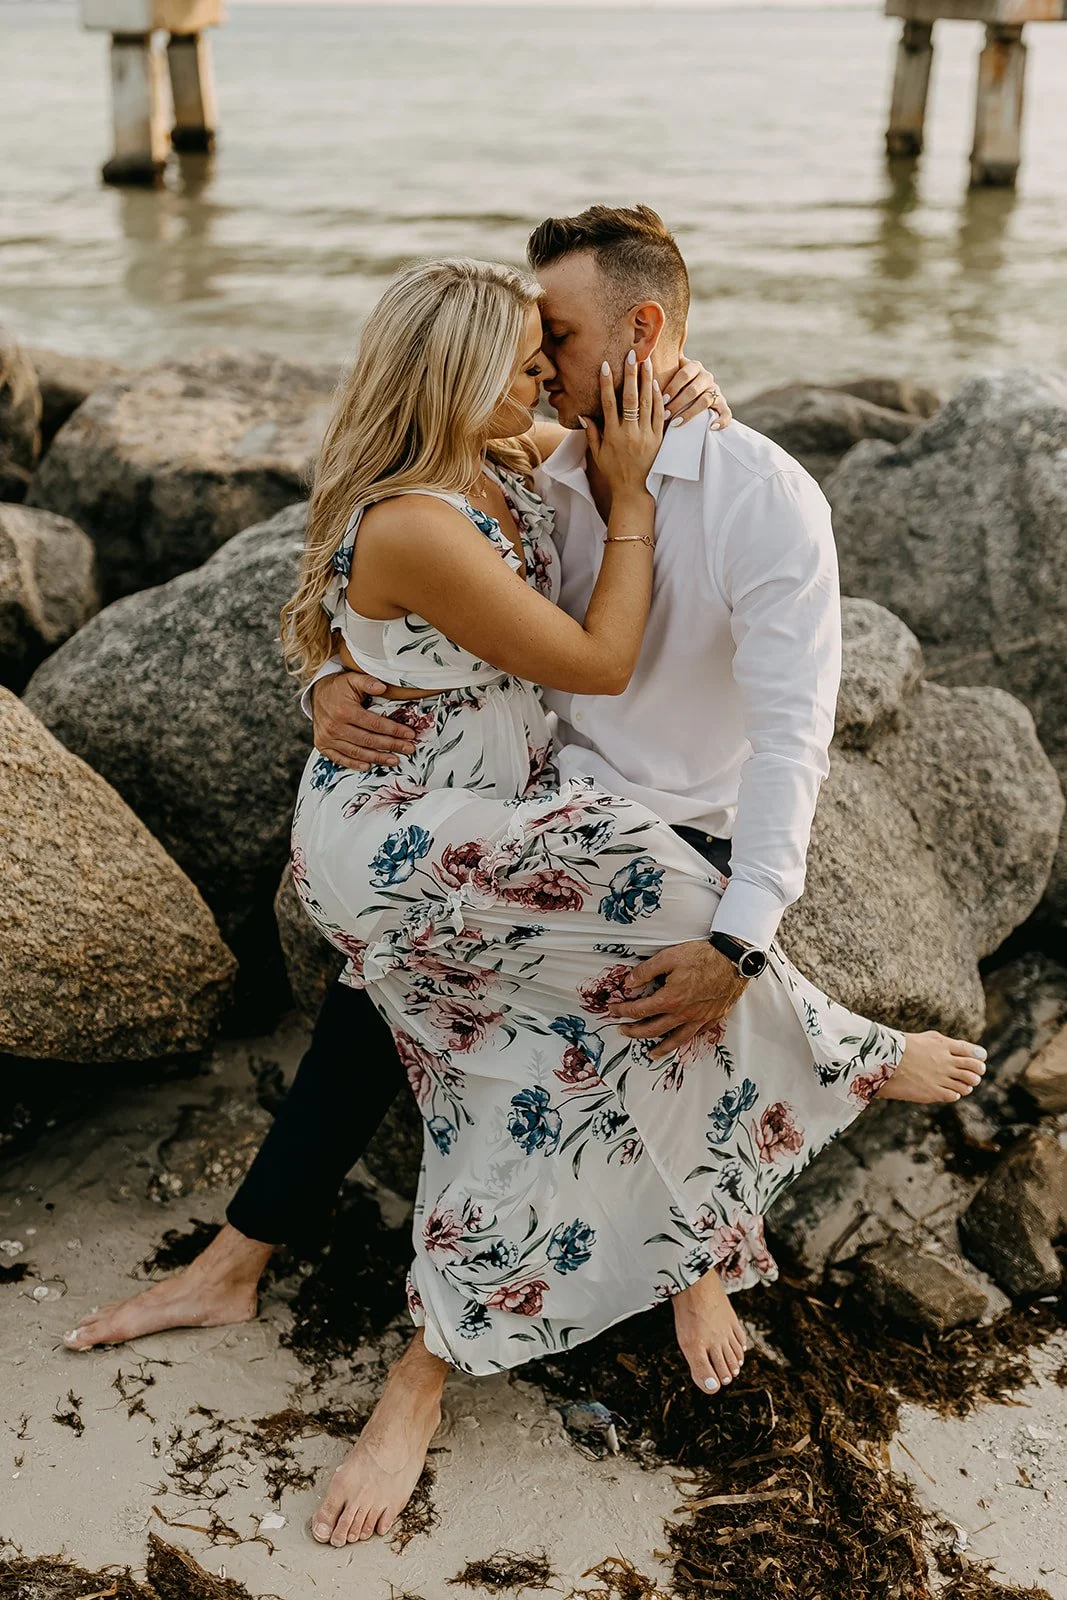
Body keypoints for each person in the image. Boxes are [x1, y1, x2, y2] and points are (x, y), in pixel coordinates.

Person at [66, 211, 987, 1553]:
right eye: (524, 347)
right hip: (517, 820)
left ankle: (593, 1287)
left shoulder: (749, 496)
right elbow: (385, 579)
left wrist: (741, 923)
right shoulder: (542, 465)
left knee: (581, 1011)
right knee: (551, 990)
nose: (541, 369)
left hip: (653, 825)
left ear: (645, 336)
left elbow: (794, 734)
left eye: (551, 337)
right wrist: (329, 679)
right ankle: (831, 1060)